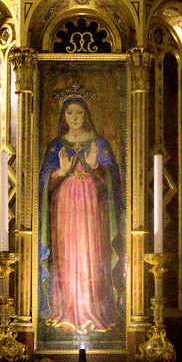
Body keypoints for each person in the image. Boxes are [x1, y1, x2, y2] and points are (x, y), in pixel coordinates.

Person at [39, 95, 124, 339]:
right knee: (68, 256)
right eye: (70, 113)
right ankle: (67, 309)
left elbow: (114, 180)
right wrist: (60, 173)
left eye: (79, 113)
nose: (74, 118)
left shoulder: (99, 143)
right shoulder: (56, 145)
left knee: (90, 255)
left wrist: (97, 167)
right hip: (64, 210)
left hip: (93, 209)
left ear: (86, 115)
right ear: (63, 117)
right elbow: (43, 182)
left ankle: (92, 309)